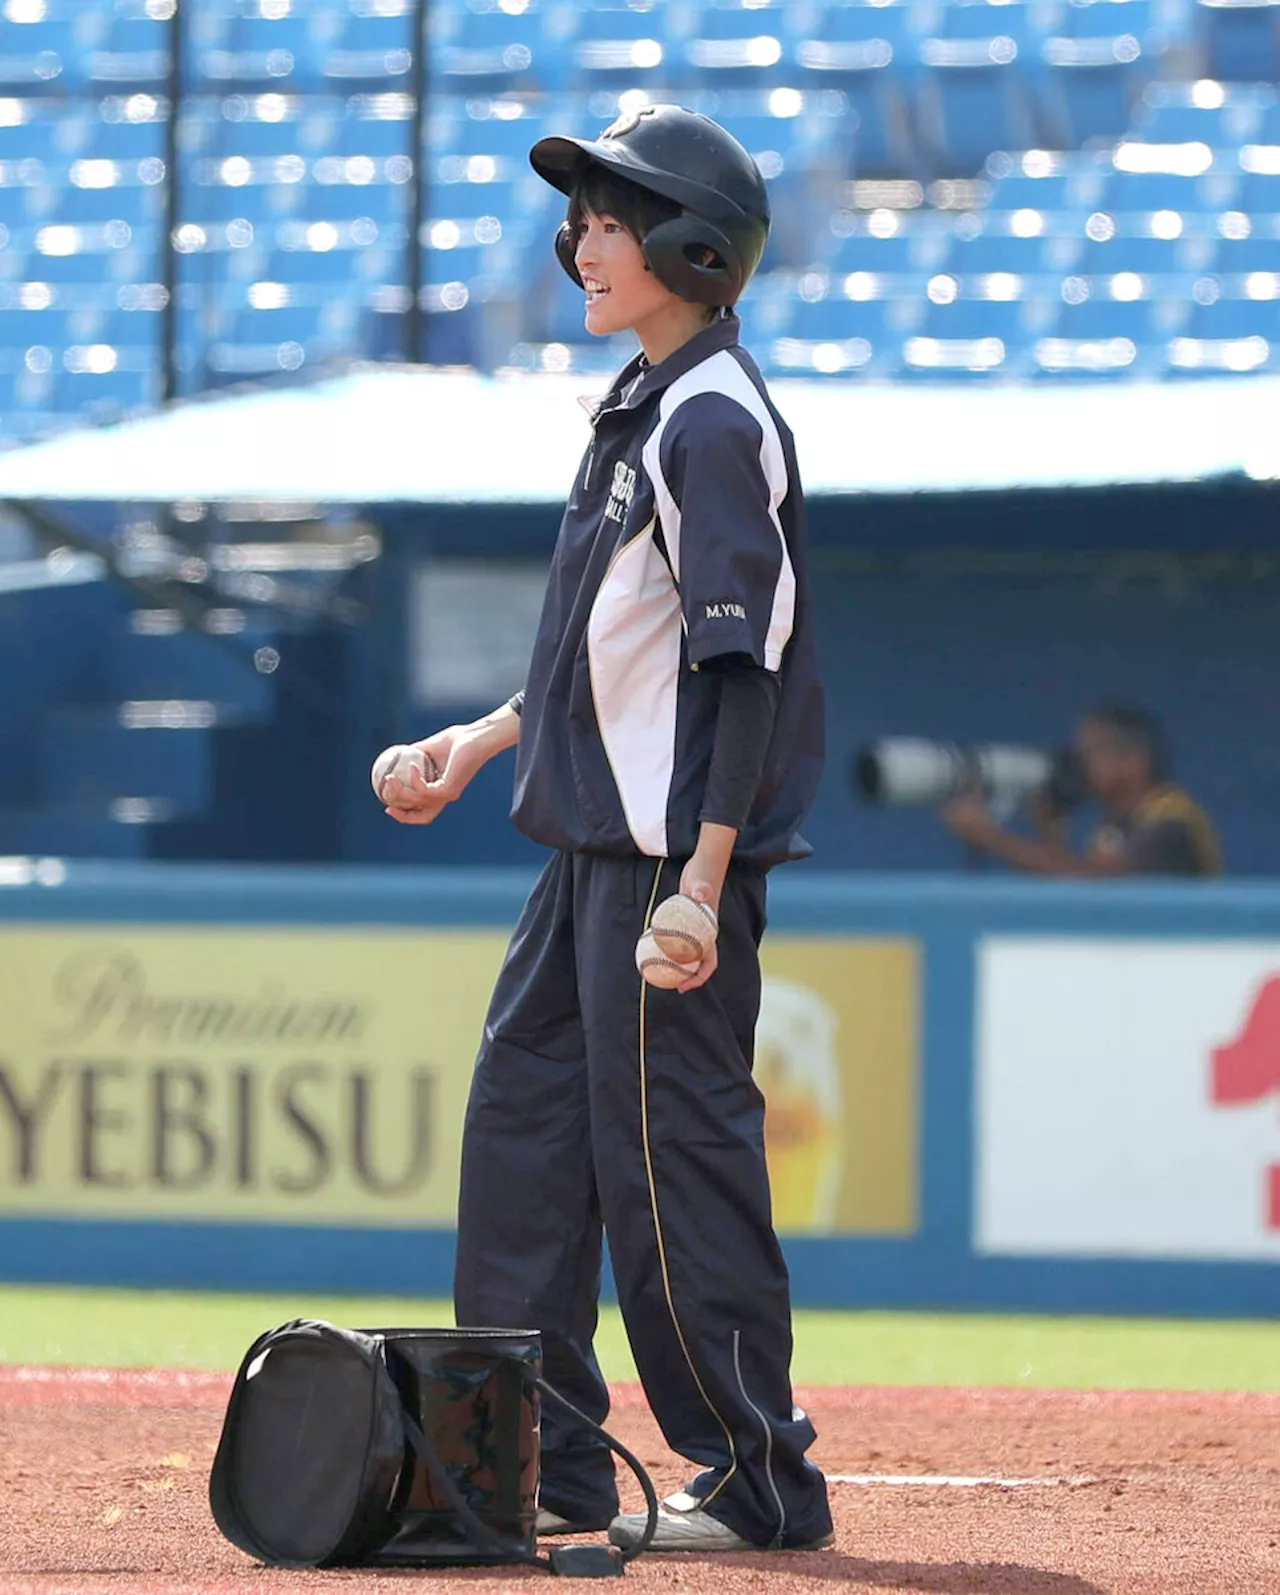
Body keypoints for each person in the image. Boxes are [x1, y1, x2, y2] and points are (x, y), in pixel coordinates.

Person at [376, 105, 833, 1556]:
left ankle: (760, 1478)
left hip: (660, 877)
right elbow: (602, 651)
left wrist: (701, 881)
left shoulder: (712, 416)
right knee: (521, 1156)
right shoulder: (640, 401)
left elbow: (737, 666)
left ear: (696, 246)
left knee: (668, 1178)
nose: (579, 240)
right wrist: (481, 737)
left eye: (611, 219)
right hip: (581, 857)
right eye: (580, 217)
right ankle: (543, 1466)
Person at [943, 703, 1222, 876]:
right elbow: (1076, 894)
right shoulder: (1113, 828)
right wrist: (1050, 834)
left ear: (1134, 761)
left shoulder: (1171, 821)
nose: (1079, 763)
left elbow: (1095, 884)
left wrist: (989, 836)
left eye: (1090, 752)